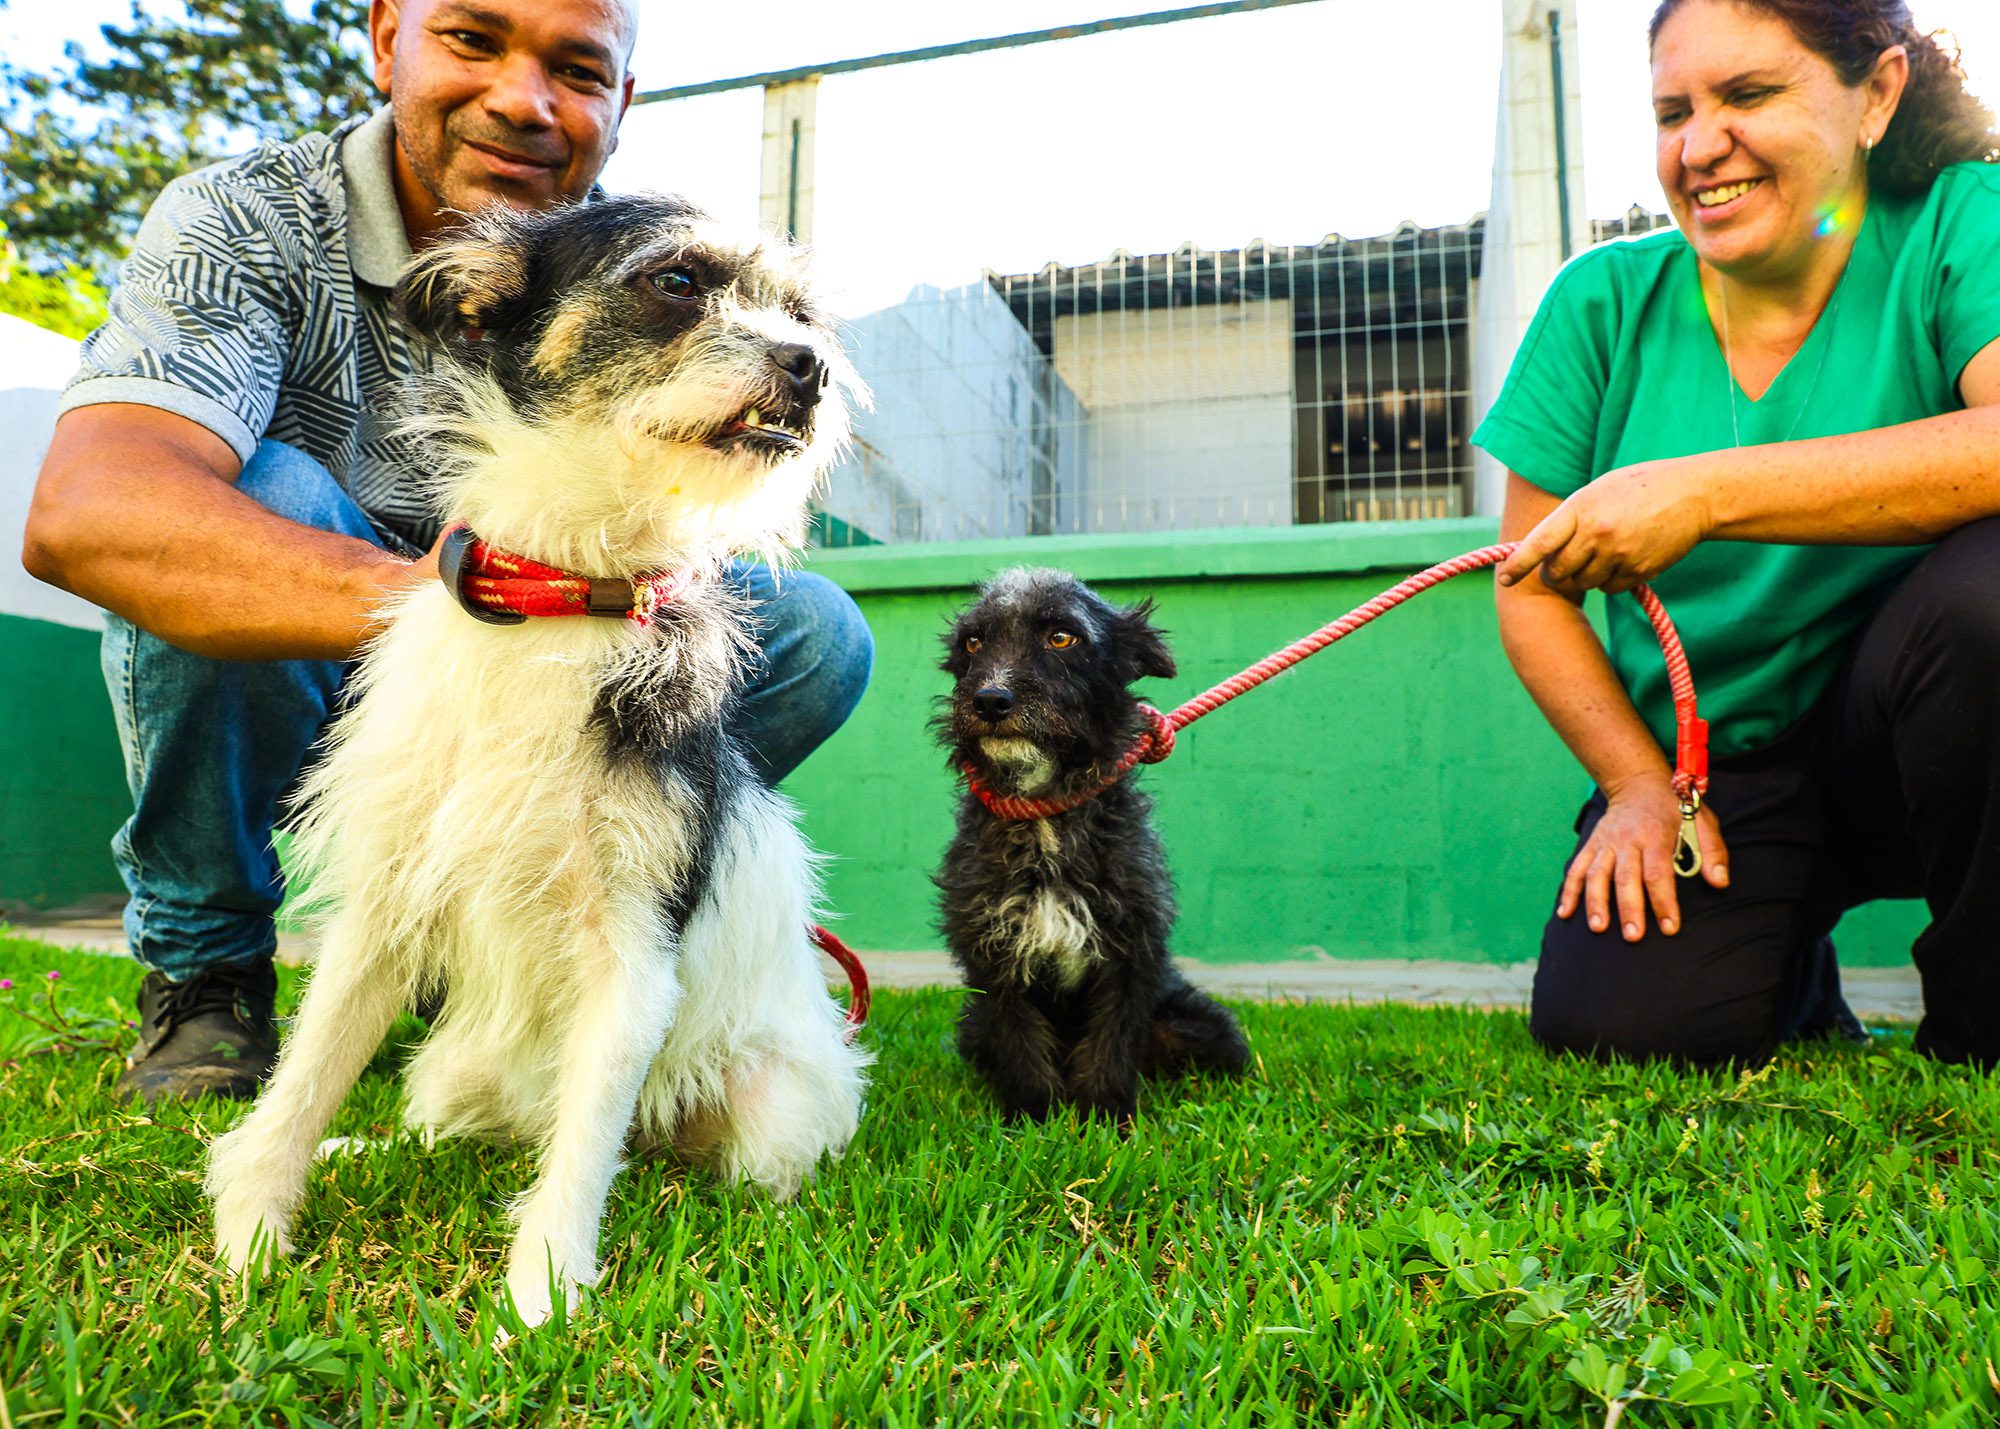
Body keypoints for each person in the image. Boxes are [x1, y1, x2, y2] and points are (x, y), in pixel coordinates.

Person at [19, 0, 874, 1106]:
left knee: (803, 629)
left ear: (621, 101)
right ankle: (208, 972)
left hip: (545, 689)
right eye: (472, 39)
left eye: (574, 68)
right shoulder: (244, 216)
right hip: (331, 658)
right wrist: (457, 600)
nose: (522, 100)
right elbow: (96, 511)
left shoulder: (645, 257)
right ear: (386, 38)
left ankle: (494, 943)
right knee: (240, 500)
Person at [1477, 0, 2000, 1066]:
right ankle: (1780, 952)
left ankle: (1983, 1020)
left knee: (1988, 598)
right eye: (1672, 110)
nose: (1697, 145)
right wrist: (1633, 784)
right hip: (1709, 769)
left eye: (1748, 95)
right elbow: (1525, 582)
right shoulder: (1598, 302)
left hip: (1915, 728)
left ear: (1877, 94)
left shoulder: (1959, 220)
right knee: (1620, 1029)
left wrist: (1703, 493)